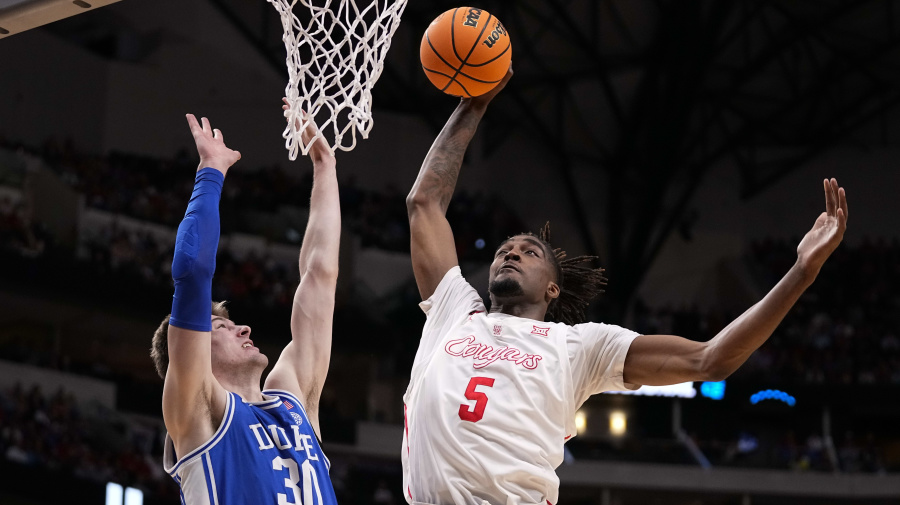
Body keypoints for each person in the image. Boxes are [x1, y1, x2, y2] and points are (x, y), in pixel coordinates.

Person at [402, 66, 849, 505]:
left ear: (552, 290)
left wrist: (801, 273)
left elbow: (711, 359)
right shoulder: (454, 311)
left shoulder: (579, 346)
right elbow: (424, 204)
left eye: (529, 251)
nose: (511, 252)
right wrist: (473, 104)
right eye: (505, 249)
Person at [150, 106, 340, 505]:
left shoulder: (293, 399)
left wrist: (325, 164)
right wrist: (211, 172)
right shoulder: (200, 410)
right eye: (221, 328)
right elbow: (192, 272)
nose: (243, 328)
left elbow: (320, 275)